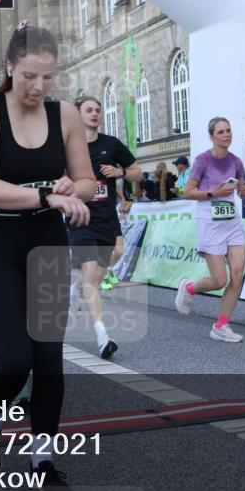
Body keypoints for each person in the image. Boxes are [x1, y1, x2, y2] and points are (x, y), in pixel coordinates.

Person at [0, 22, 95, 491]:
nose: (39, 87)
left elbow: (87, 182)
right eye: (29, 77)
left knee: (48, 359)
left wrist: (69, 190)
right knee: (14, 357)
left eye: (48, 77)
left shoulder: (64, 115)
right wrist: (46, 193)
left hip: (45, 239)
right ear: (9, 68)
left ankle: (44, 459)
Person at [67, 95, 141, 359]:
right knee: (91, 275)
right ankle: (102, 336)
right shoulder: (66, 146)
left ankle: (76, 289)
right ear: (78, 115)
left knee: (115, 257)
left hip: (108, 219)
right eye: (89, 110)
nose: (95, 114)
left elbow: (138, 172)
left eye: (98, 110)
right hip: (81, 219)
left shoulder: (111, 144)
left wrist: (120, 173)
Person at [174, 117, 245, 343]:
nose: (226, 135)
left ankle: (221, 325)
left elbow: (242, 191)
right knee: (219, 280)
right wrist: (212, 193)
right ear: (212, 136)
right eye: (220, 132)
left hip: (232, 221)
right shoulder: (202, 161)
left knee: (238, 275)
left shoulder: (236, 161)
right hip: (209, 220)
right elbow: (187, 192)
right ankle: (189, 288)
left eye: (228, 130)